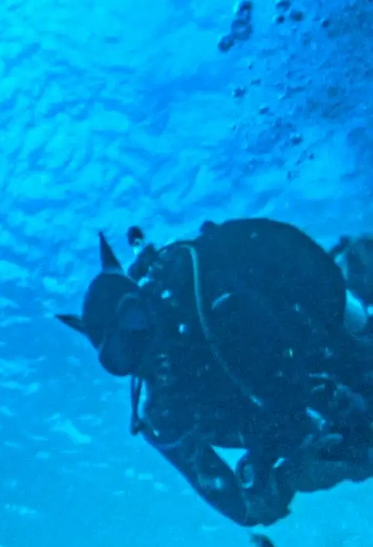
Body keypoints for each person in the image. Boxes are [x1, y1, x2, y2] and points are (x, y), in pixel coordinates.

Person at [62, 216, 373, 527]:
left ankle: (356, 274)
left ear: (146, 301)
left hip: (330, 352)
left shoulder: (208, 291)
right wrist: (291, 477)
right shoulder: (166, 415)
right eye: (119, 354)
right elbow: (242, 506)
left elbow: (295, 335)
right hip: (306, 416)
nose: (139, 345)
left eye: (134, 322)